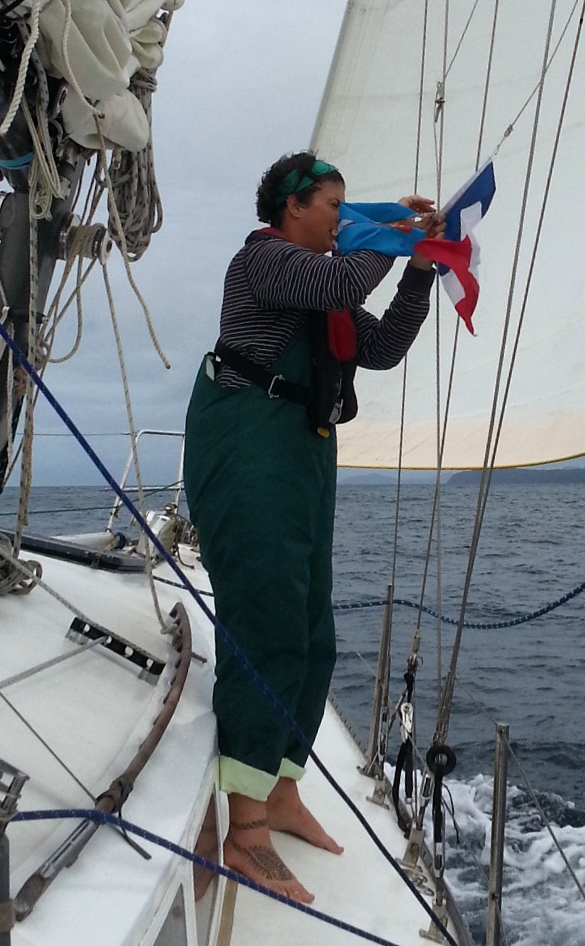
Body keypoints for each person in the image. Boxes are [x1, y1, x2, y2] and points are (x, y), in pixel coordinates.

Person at [183, 151, 441, 903]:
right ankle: (245, 825)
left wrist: (420, 272)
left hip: (301, 451)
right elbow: (340, 280)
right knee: (265, 623)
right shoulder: (264, 263)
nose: (342, 219)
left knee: (309, 629)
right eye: (334, 205)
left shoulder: (324, 289)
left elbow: (381, 348)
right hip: (246, 444)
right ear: (292, 206)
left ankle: (282, 786)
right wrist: (392, 233)